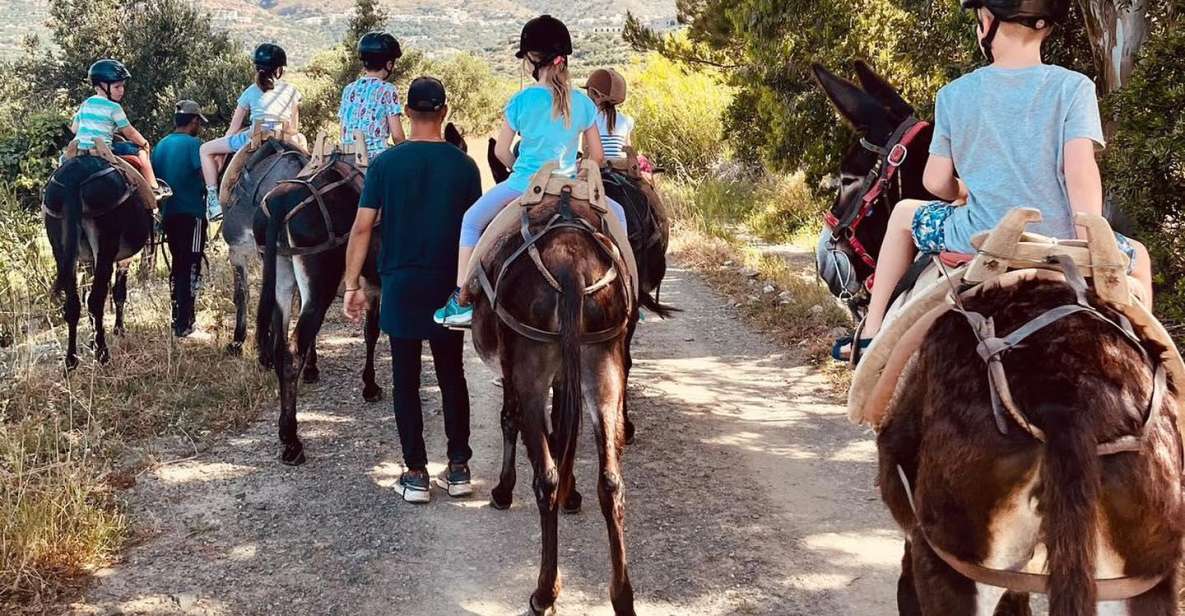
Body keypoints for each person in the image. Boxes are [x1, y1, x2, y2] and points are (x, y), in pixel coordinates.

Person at [838, 0, 1153, 360]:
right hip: (1061, 238)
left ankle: (871, 334)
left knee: (904, 215)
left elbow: (935, 182)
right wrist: (1083, 243)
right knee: (1140, 256)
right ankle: (1142, 352)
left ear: (987, 23)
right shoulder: (1074, 88)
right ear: (1046, 27)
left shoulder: (954, 95)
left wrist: (962, 191)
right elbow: (1079, 172)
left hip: (980, 237)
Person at [433, 14, 630, 328]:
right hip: (569, 187)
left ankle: (462, 300)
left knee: (471, 222)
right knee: (618, 218)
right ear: (561, 60)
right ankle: (630, 295)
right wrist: (580, 170)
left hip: (525, 186)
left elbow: (500, 150)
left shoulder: (521, 101)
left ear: (530, 60)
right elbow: (597, 155)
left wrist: (516, 167)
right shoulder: (581, 102)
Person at [342, 77, 479, 504]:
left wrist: (352, 285)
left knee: (405, 378)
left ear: (407, 113)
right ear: (443, 112)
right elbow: (471, 232)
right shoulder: (464, 166)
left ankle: (416, 473)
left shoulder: (385, 164)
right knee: (451, 373)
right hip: (445, 284)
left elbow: (363, 226)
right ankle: (458, 467)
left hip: (399, 282)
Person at [199, 43, 301, 222]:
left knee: (205, 149)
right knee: (302, 144)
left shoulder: (250, 92)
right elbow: (293, 127)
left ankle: (213, 202)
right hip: (283, 136)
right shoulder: (292, 91)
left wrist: (223, 152)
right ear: (279, 70)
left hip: (254, 138)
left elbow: (233, 127)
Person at [151, 101, 210, 338]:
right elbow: (204, 174)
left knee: (177, 265)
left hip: (170, 214)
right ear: (194, 121)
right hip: (192, 213)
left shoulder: (161, 145)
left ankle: (177, 318)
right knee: (192, 265)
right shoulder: (195, 144)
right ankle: (186, 324)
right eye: (199, 123)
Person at [72, 59, 168, 200]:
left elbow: (74, 129)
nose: (121, 90)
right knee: (140, 151)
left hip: (80, 150)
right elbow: (129, 132)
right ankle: (154, 188)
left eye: (122, 86)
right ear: (100, 87)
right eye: (117, 87)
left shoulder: (85, 104)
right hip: (104, 150)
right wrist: (144, 143)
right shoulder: (114, 108)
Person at [339, 31, 406, 160]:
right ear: (389, 65)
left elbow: (342, 131)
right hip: (374, 157)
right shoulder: (388, 90)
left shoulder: (349, 89)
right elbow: (397, 136)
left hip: (346, 156)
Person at [584, 68, 634, 159]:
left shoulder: (588, 119)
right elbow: (628, 150)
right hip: (620, 169)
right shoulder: (626, 121)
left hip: (596, 169)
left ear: (593, 93)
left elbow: (584, 150)